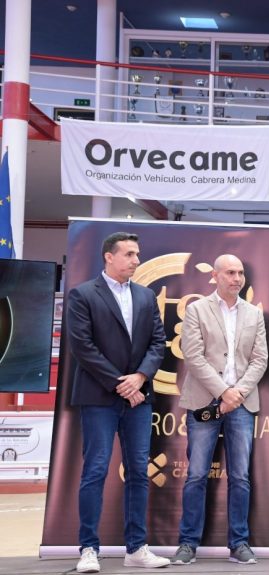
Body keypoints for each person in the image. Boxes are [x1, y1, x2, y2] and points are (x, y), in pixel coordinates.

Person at [66, 232, 170, 573]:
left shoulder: (145, 295)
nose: (136, 260)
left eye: (137, 254)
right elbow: (83, 347)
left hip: (139, 397)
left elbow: (158, 342)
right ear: (109, 257)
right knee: (95, 470)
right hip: (98, 397)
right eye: (129, 254)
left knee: (139, 471)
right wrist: (120, 384)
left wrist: (140, 377)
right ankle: (88, 549)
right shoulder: (82, 294)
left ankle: (136, 548)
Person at [171, 255, 269, 566]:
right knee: (197, 475)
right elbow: (193, 356)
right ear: (215, 276)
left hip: (241, 404)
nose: (237, 278)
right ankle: (188, 544)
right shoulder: (196, 310)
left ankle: (239, 543)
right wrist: (223, 392)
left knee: (240, 477)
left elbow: (260, 360)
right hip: (204, 400)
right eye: (230, 272)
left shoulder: (254, 313)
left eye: (240, 272)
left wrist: (236, 393)